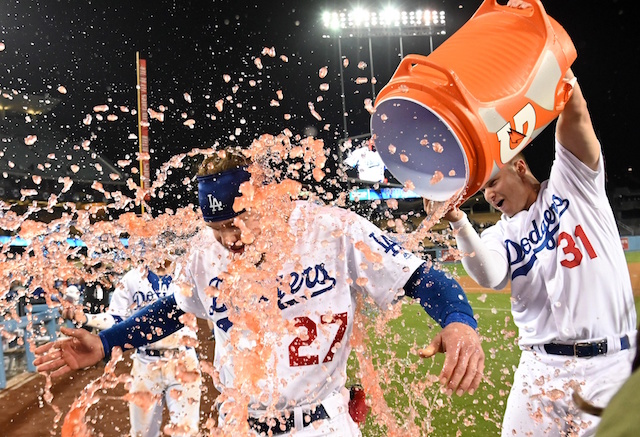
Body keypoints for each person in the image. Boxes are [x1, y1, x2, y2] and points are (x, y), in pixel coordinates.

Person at [35, 148, 485, 436]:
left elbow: (420, 276)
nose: (229, 240)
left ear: (265, 200)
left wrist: (459, 321)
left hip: (320, 425)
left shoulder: (332, 229)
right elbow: (176, 309)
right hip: (241, 423)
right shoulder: (202, 253)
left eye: (235, 223)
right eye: (216, 229)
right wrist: (108, 340)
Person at [431, 32, 637, 437]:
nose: (488, 195)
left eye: (492, 182)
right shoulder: (500, 234)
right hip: (539, 372)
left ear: (520, 168)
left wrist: (536, 51)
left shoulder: (573, 182)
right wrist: (456, 219)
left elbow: (573, 112)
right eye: (482, 191)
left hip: (610, 366)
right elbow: (489, 276)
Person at [62, 255, 201, 437]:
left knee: (187, 433)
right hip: (145, 362)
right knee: (142, 433)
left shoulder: (189, 271)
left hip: (184, 360)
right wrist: (86, 318)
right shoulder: (132, 278)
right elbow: (116, 319)